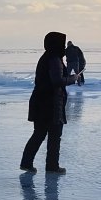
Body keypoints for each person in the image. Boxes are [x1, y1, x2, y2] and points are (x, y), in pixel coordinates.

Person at [20, 31, 77, 175]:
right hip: (50, 103)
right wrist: (72, 78)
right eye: (62, 44)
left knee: (39, 133)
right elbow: (57, 81)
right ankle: (52, 166)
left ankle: (27, 163)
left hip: (41, 101)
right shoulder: (54, 59)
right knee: (54, 135)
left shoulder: (47, 57)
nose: (64, 47)